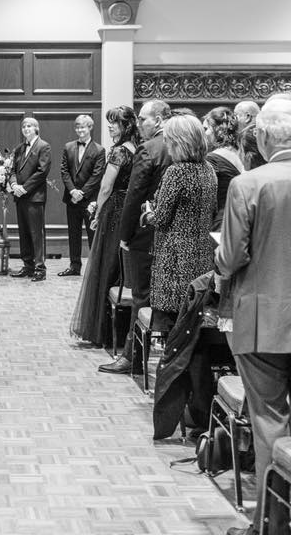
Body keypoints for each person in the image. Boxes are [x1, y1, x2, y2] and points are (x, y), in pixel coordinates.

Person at [217, 98, 291, 535]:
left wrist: (217, 255)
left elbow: (231, 257)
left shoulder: (248, 185)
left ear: (264, 137)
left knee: (269, 419)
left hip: (261, 318)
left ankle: (272, 525)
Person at [100, 99, 172, 375]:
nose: (139, 124)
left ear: (159, 119)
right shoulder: (180, 146)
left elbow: (134, 196)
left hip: (144, 234)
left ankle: (133, 357)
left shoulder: (149, 149)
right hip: (169, 235)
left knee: (141, 296)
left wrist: (124, 235)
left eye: (143, 119)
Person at [69, 106, 140, 346]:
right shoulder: (135, 148)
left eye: (115, 123)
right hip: (127, 211)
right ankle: (116, 329)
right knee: (117, 266)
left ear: (126, 126)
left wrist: (96, 210)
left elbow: (106, 187)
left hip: (113, 212)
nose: (110, 126)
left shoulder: (119, 151)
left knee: (103, 265)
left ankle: (99, 329)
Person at [143, 114, 217, 329]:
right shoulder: (209, 170)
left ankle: (170, 362)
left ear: (178, 141)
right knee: (192, 320)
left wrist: (147, 213)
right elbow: (211, 211)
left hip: (174, 259)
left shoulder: (176, 172)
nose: (165, 143)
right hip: (202, 255)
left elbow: (161, 218)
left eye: (167, 139)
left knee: (171, 324)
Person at [58, 115, 106, 276]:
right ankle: (74, 266)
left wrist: (82, 193)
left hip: (90, 199)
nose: (80, 130)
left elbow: (97, 175)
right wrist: (73, 191)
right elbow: (64, 171)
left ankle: (94, 269)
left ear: (90, 128)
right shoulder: (68, 147)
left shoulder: (99, 150)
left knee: (93, 235)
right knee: (74, 234)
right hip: (71, 198)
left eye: (83, 127)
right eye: (77, 127)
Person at [8, 117, 51, 281]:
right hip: (19, 197)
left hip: (34, 197)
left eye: (29, 126)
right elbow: (12, 171)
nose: (26, 128)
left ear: (36, 129)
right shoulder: (19, 148)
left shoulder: (43, 146)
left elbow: (42, 172)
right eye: (24, 126)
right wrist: (14, 186)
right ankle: (28, 266)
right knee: (24, 232)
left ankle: (40, 268)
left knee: (36, 233)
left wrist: (24, 188)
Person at [203, 106, 243, 230]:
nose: (204, 133)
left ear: (218, 130)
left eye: (206, 128)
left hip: (222, 220)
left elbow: (206, 198)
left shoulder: (213, 158)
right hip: (242, 216)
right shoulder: (242, 152)